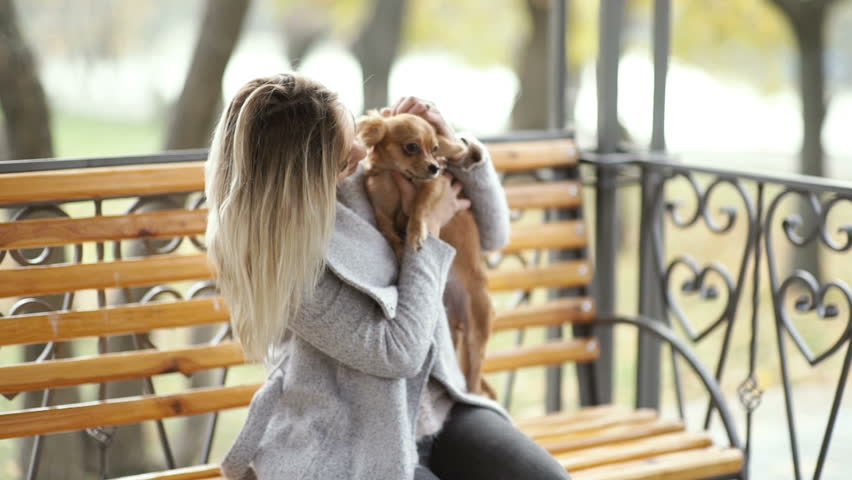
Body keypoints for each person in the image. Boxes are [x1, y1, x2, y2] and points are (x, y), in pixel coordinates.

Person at [206, 72, 571, 480]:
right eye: (345, 154)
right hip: (345, 440)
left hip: (436, 407)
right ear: (304, 174)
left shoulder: (370, 176)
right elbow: (397, 354)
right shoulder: (278, 259)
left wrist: (456, 148)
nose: (362, 151)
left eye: (355, 137)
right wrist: (426, 232)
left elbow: (493, 234)